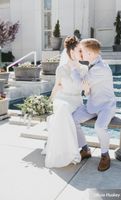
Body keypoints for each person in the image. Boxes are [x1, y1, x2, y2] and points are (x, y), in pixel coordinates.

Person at [43, 36, 90, 168]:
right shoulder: (61, 69)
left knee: (64, 111)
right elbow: (57, 87)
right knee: (62, 108)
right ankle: (61, 149)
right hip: (62, 99)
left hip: (76, 101)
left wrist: (87, 90)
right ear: (70, 51)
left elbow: (86, 91)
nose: (81, 53)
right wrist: (49, 101)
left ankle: (67, 149)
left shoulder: (83, 69)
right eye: (78, 50)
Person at [71, 38, 116, 172]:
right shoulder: (89, 63)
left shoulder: (101, 68)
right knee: (72, 120)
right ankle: (85, 149)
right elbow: (85, 87)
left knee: (100, 127)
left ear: (90, 53)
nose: (80, 54)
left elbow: (81, 84)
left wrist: (73, 67)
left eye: (82, 51)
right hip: (91, 105)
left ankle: (105, 155)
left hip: (106, 106)